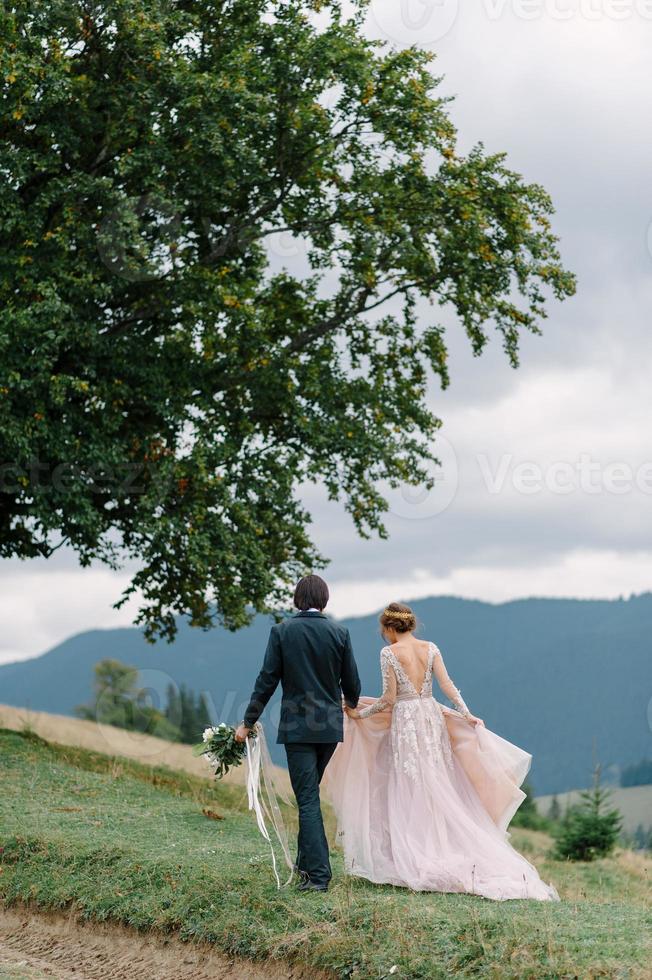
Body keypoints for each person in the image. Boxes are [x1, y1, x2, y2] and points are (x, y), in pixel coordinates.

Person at [322, 601, 559, 901]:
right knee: (437, 781)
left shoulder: (389, 653)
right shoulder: (431, 648)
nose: (384, 635)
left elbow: (388, 699)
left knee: (410, 783)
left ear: (391, 628)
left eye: (384, 630)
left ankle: (418, 850)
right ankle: (440, 845)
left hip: (407, 720)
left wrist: (361, 715)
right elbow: (447, 685)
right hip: (431, 718)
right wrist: (467, 713)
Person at [235, 574, 361, 892]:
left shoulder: (282, 632)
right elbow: (353, 686)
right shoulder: (340, 632)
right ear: (325, 599)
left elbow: (267, 680)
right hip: (331, 728)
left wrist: (248, 721)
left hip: (298, 727)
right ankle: (307, 868)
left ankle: (318, 877)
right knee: (309, 796)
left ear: (296, 599)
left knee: (307, 799)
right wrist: (349, 703)